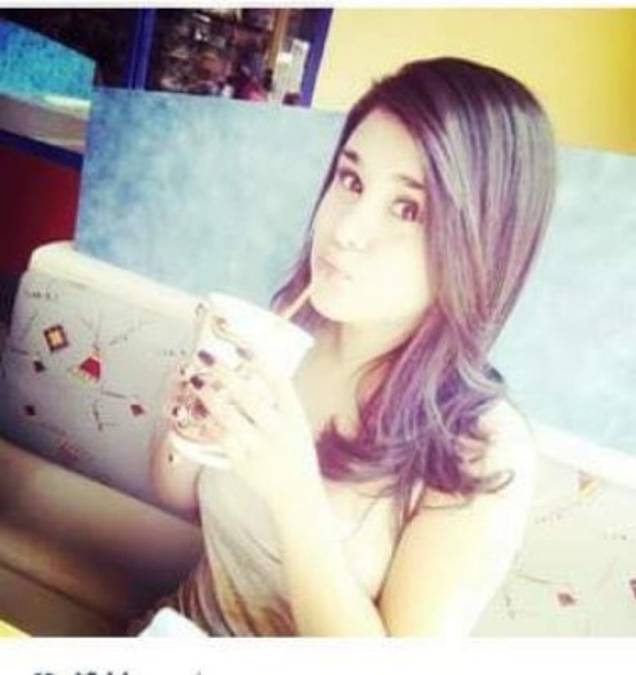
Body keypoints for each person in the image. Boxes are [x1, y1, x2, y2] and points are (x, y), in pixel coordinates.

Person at [131, 56, 556, 637]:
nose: (346, 229)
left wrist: (294, 496)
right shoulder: (287, 334)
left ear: (481, 245)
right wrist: (188, 423)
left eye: (408, 209)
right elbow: (175, 496)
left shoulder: (482, 449)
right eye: (351, 180)